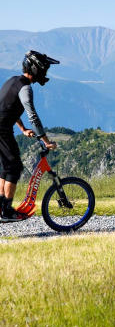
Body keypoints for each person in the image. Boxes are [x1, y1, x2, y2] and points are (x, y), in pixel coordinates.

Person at [0, 51, 60, 221]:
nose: (45, 74)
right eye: (45, 70)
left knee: (7, 167)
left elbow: (8, 107)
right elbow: (32, 115)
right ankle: (7, 211)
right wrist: (45, 140)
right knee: (14, 168)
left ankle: (2, 205)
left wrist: (23, 129)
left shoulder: (13, 80)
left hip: (3, 128)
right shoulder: (25, 88)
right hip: (2, 130)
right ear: (36, 68)